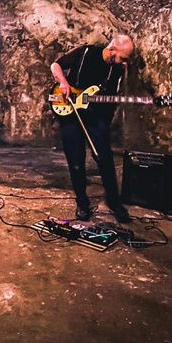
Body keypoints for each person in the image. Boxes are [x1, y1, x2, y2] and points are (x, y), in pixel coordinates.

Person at [50, 35, 135, 223]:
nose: (125, 63)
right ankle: (82, 203)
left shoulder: (116, 71)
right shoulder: (85, 52)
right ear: (112, 49)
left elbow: (111, 99)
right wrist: (63, 82)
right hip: (71, 113)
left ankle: (114, 202)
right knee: (76, 160)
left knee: (104, 157)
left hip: (96, 117)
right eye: (123, 57)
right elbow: (55, 65)